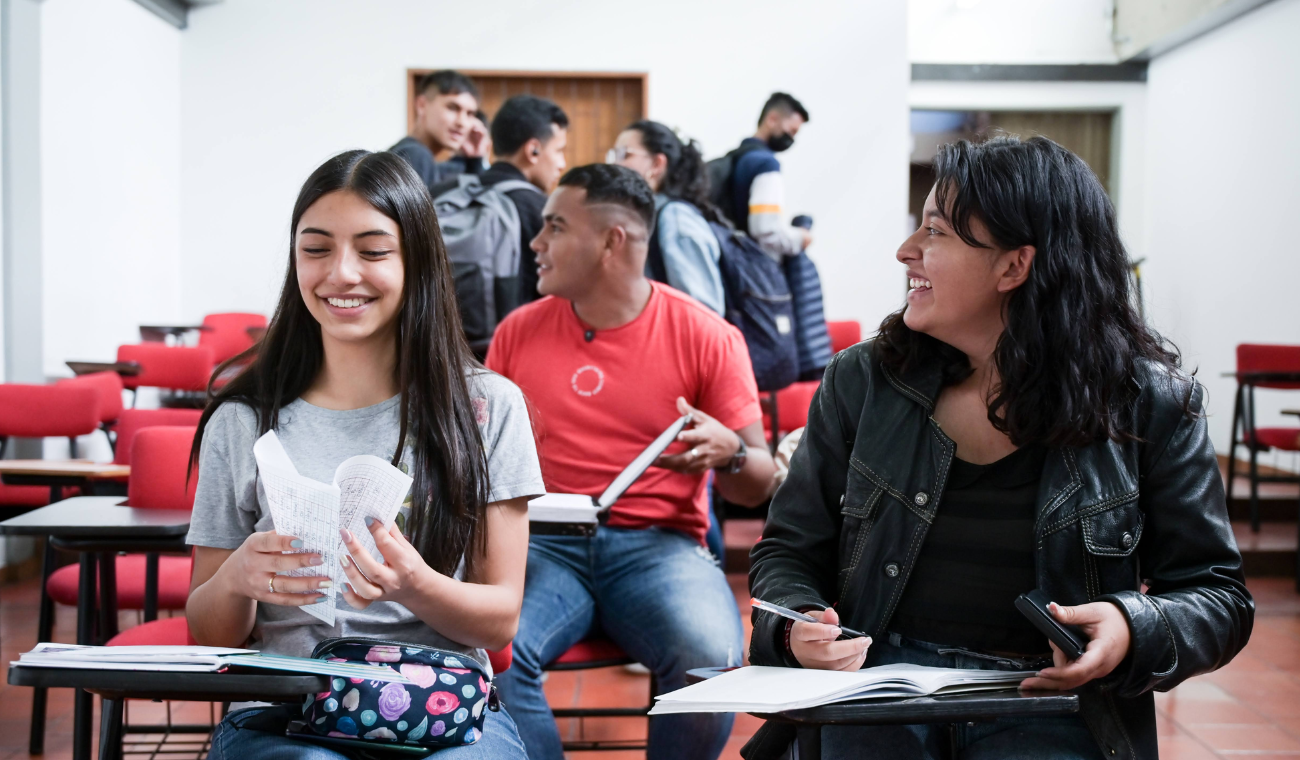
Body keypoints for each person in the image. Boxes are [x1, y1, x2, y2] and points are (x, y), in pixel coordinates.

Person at [747, 136, 1253, 760]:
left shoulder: (1149, 402)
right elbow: (789, 549)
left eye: (934, 232)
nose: (906, 251)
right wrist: (794, 623)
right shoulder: (863, 381)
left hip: (1052, 704)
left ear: (1014, 266)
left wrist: (1131, 627)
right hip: (877, 695)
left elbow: (1217, 595)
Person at [185, 150, 545, 759]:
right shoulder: (242, 418)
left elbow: (499, 618)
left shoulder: (487, 406)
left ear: (417, 263)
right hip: (283, 711)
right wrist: (239, 580)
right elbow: (208, 632)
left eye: (373, 251)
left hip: (441, 706)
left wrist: (414, 585)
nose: (341, 274)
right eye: (316, 248)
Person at [487, 164, 778, 760]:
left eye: (554, 227)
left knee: (712, 660)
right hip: (539, 545)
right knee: (489, 654)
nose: (535, 243)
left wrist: (733, 451)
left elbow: (759, 484)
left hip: (659, 547)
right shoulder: (516, 332)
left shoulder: (707, 336)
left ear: (612, 242)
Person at [432, 94, 568, 306]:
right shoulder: (543, 210)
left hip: (442, 336)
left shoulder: (445, 192)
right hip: (511, 336)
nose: (562, 163)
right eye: (559, 150)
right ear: (533, 150)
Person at [609, 120, 725, 315]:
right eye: (613, 155)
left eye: (625, 154)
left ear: (657, 164)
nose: (614, 164)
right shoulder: (645, 216)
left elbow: (702, 313)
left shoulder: (676, 218)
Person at [722, 92, 812, 259]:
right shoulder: (766, 164)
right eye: (791, 131)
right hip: (752, 263)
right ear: (772, 119)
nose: (791, 139)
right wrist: (800, 238)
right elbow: (766, 230)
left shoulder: (736, 157)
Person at [390, 70, 487, 190]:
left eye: (469, 114)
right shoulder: (416, 155)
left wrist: (474, 160)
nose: (462, 122)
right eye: (452, 108)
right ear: (422, 105)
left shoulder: (417, 156)